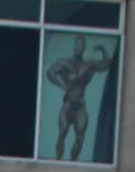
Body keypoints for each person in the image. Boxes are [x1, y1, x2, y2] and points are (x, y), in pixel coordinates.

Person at [46, 35, 113, 163]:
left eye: (81, 46)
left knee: (80, 136)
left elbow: (106, 64)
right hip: (68, 103)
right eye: (77, 45)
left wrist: (103, 50)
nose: (79, 48)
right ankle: (58, 161)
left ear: (83, 48)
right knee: (62, 133)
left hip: (80, 104)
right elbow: (50, 73)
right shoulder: (65, 63)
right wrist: (61, 86)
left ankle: (73, 162)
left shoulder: (87, 65)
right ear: (74, 46)